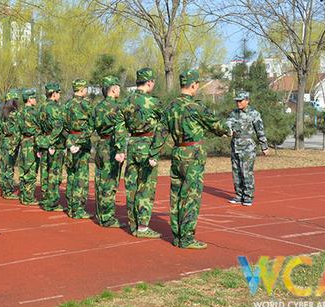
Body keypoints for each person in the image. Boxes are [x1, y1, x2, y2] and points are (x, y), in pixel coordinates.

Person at [162, 69, 230, 249]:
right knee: (191, 196)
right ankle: (187, 238)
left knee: (176, 194)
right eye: (197, 84)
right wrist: (227, 131)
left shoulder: (170, 106)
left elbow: (161, 132)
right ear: (193, 85)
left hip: (177, 152)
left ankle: (177, 235)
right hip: (193, 155)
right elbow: (216, 125)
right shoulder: (196, 107)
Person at [117, 68, 163, 238]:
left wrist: (120, 148)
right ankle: (143, 227)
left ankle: (133, 224)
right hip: (147, 145)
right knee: (146, 187)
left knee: (131, 187)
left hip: (132, 145)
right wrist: (155, 152)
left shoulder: (126, 102)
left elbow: (119, 128)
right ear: (149, 82)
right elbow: (162, 128)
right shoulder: (153, 102)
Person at [93, 76, 125, 228]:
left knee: (100, 181)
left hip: (100, 144)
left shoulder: (97, 107)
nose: (120, 89)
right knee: (110, 182)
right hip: (111, 145)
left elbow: (90, 127)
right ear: (112, 89)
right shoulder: (118, 107)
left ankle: (101, 214)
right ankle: (107, 218)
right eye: (118, 87)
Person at [226, 91, 269, 206]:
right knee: (236, 172)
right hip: (235, 146)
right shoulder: (233, 113)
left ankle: (248, 196)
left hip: (247, 148)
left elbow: (260, 130)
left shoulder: (254, 113)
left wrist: (264, 146)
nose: (238, 103)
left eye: (240, 100)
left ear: (247, 100)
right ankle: (239, 195)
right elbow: (228, 124)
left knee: (246, 172)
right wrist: (227, 130)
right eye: (237, 101)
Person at [63, 79, 93, 219]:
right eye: (85, 88)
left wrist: (70, 141)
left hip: (70, 141)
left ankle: (70, 207)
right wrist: (80, 141)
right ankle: (78, 209)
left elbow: (61, 125)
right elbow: (91, 125)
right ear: (82, 90)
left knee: (71, 175)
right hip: (81, 143)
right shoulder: (86, 104)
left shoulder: (67, 104)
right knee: (81, 177)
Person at [36, 83, 65, 212]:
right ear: (54, 94)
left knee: (45, 172)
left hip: (44, 143)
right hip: (54, 145)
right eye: (58, 92)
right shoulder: (54, 108)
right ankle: (51, 202)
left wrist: (42, 142)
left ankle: (45, 198)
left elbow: (38, 127)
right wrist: (51, 142)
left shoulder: (41, 107)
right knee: (54, 173)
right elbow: (58, 127)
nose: (59, 95)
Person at [0, 90, 21, 199]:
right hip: (12, 142)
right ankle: (8, 192)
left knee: (4, 167)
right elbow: (18, 129)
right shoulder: (15, 114)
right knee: (9, 167)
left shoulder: (2, 114)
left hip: (4, 142)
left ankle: (5, 190)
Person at [18, 89, 41, 205]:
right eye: (34, 98)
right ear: (29, 99)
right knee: (31, 170)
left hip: (23, 141)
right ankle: (28, 198)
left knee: (23, 169)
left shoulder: (20, 112)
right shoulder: (33, 112)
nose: (35, 100)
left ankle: (23, 195)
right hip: (32, 142)